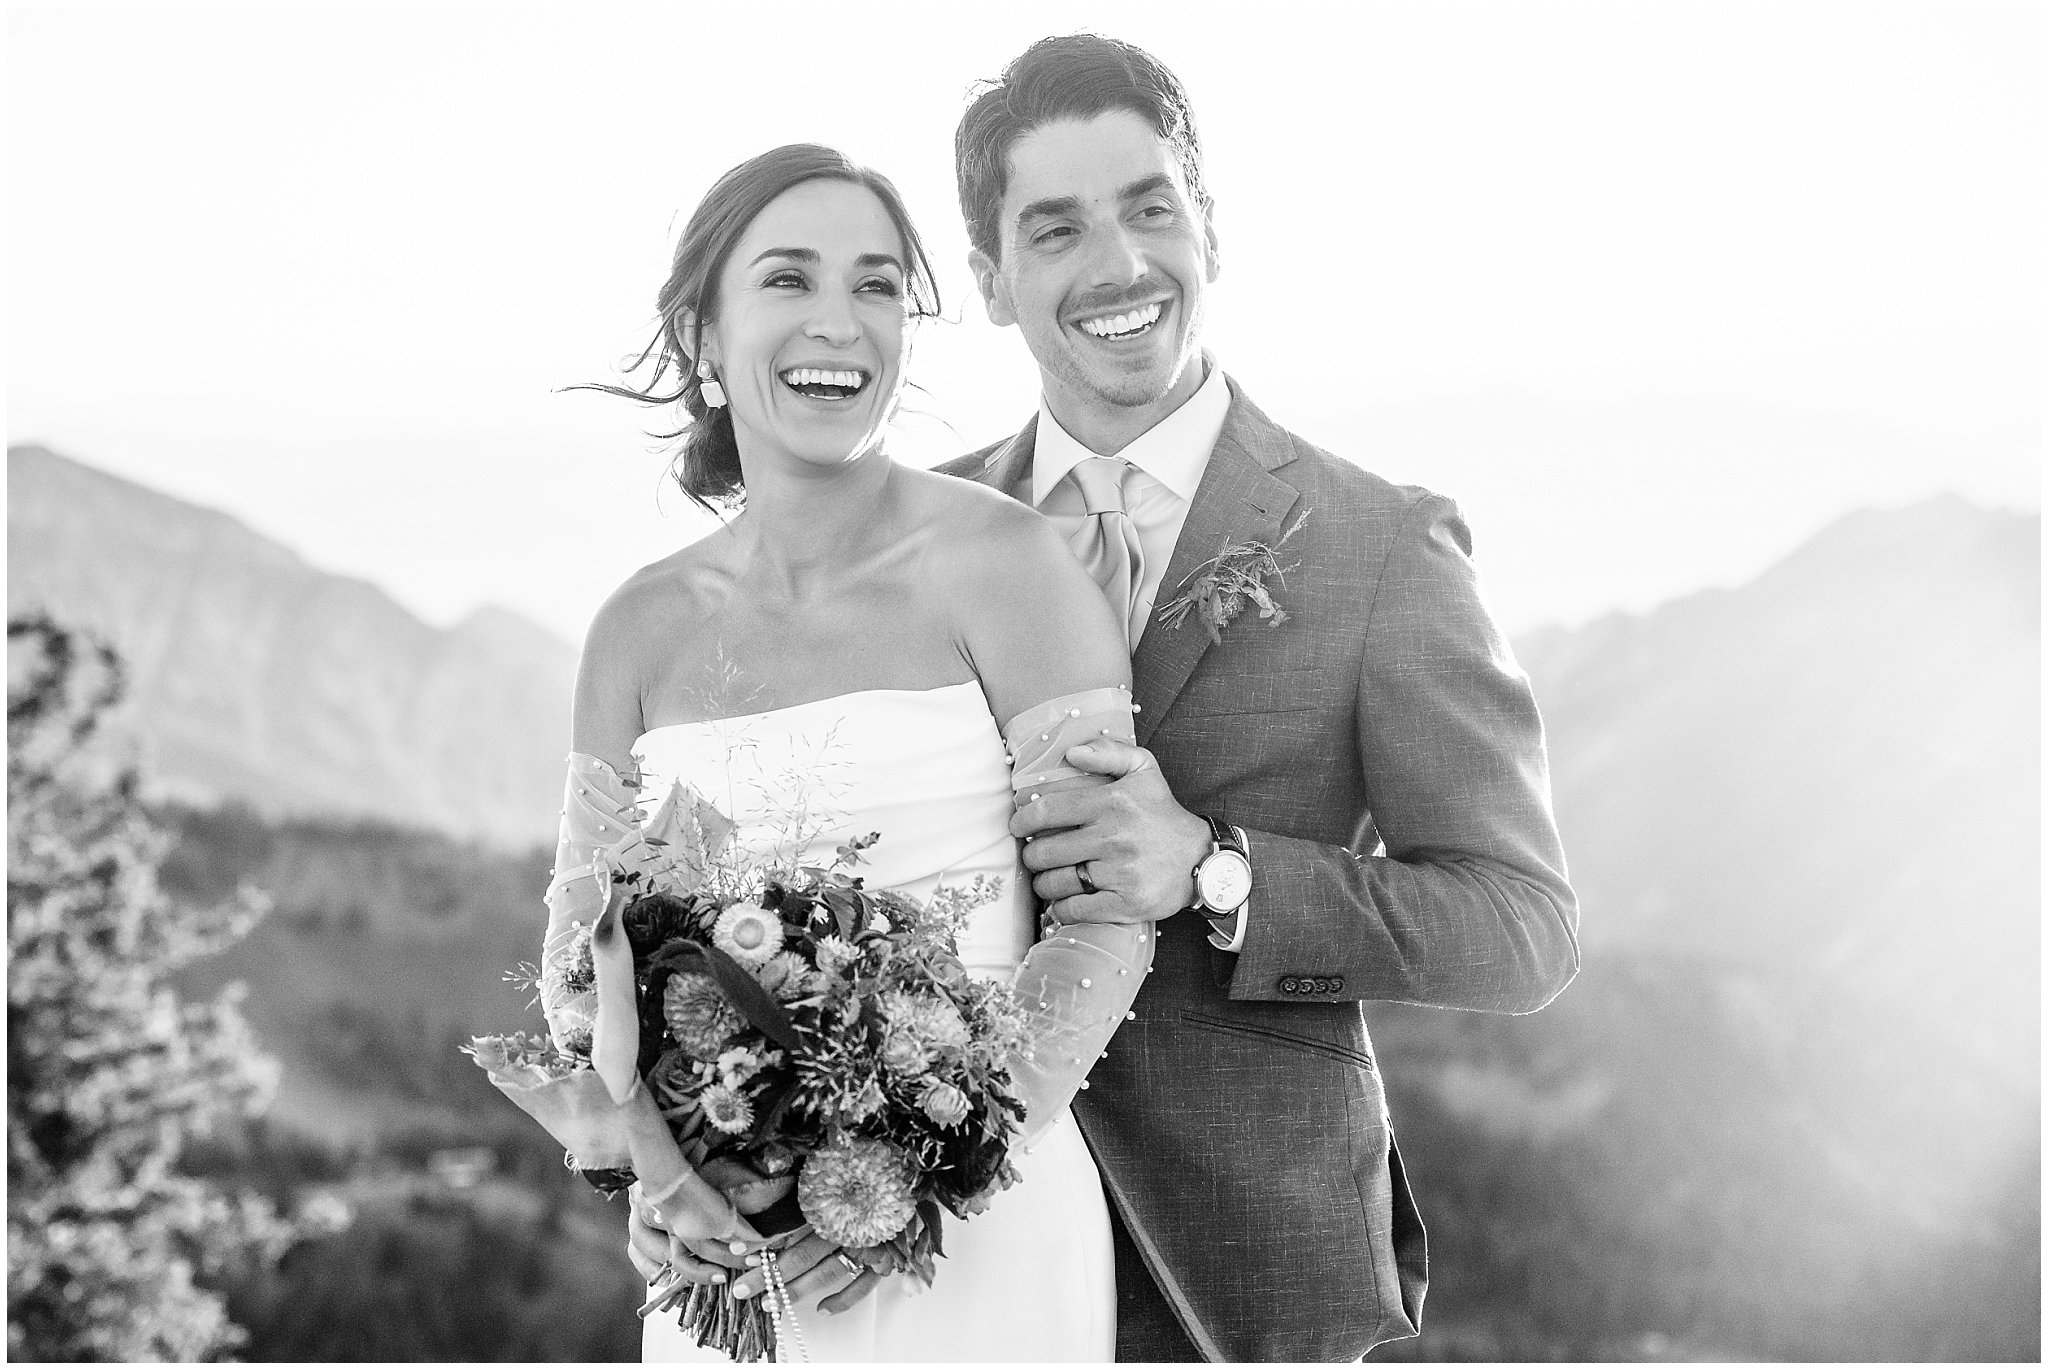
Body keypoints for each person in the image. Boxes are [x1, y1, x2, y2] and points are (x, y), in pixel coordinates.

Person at [931, 34, 1582, 1361]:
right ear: (994, 281)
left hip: (1252, 1281)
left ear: (1209, 232)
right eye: (1055, 228)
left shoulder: (1381, 545)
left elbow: (1525, 929)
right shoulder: (917, 541)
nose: (1117, 265)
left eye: (1150, 207)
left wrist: (1220, 875)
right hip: (958, 1256)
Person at [570, 144, 1145, 1360]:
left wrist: (938, 1167)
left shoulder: (1011, 570)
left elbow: (1103, 914)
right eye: (788, 278)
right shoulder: (635, 629)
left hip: (987, 1240)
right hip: (730, 1262)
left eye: (876, 285)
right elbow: (587, 971)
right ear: (702, 337)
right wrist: (666, 1188)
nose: (841, 320)